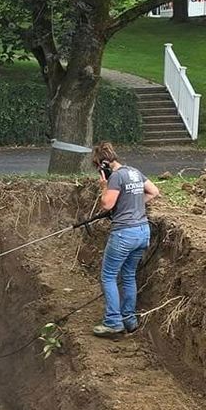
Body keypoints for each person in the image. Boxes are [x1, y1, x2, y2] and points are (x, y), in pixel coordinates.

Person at [89, 141, 159, 338]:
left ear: (103, 165)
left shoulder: (116, 177)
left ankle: (113, 322)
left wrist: (104, 186)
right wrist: (132, 205)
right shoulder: (134, 172)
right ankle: (129, 319)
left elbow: (107, 204)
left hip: (124, 234)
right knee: (128, 275)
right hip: (142, 231)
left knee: (109, 276)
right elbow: (154, 192)